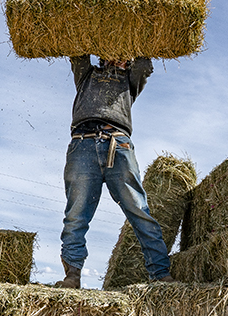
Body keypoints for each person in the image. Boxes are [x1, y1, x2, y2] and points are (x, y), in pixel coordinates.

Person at [55, 54, 176, 289]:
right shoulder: (87, 76)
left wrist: (132, 42)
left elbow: (144, 64)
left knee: (139, 210)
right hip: (83, 144)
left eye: (124, 54)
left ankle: (161, 274)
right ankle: (72, 276)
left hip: (117, 145)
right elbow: (77, 54)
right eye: (112, 52)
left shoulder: (130, 81)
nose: (117, 57)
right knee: (76, 214)